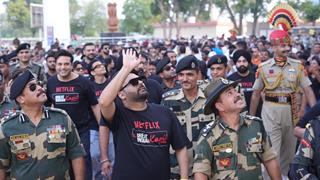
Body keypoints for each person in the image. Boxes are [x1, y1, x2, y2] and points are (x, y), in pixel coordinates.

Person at [99, 49, 189, 180]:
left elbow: (180, 148)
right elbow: (103, 102)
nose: (140, 82)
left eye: (140, 80)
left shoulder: (165, 112)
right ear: (121, 94)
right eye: (134, 83)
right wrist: (125, 69)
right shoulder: (118, 115)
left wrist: (184, 178)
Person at [249, 29, 317, 178]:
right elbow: (255, 95)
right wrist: (251, 119)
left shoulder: (298, 66)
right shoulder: (264, 67)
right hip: (271, 112)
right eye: (282, 46)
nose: (287, 48)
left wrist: (315, 116)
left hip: (291, 112)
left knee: (289, 152)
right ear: (273, 47)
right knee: (272, 152)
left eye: (288, 45)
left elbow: (308, 91)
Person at [0, 70, 86, 179]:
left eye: (39, 84)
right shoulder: (8, 126)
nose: (40, 88)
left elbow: (76, 153)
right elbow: (2, 165)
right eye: (32, 87)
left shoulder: (61, 118)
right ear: (21, 99)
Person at [193, 78, 281, 180]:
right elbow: (201, 173)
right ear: (220, 106)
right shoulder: (209, 135)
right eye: (229, 93)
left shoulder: (256, 125)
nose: (237, 95)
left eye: (235, 91)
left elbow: (269, 159)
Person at [46, 49, 100, 180]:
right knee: (60, 162)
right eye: (59, 64)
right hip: (57, 130)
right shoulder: (51, 82)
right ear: (55, 65)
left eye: (66, 64)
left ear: (71, 65)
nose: (62, 67)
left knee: (83, 162)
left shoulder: (84, 82)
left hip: (81, 130)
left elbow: (95, 105)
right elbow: (47, 107)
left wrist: (102, 126)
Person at [162, 55, 215, 179]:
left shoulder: (211, 98)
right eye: (181, 75)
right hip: (177, 168)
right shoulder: (168, 100)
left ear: (198, 75)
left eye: (189, 74)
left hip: (207, 166)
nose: (185, 79)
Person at [88, 59, 115, 180]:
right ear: (92, 73)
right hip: (94, 127)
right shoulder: (89, 86)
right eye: (97, 66)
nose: (101, 67)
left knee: (112, 156)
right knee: (94, 155)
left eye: (102, 65)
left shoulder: (112, 84)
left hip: (112, 126)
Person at [228, 49, 261, 116]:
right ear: (235, 63)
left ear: (248, 62)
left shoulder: (256, 77)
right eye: (239, 61)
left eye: (244, 61)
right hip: (237, 115)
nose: (242, 64)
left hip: (256, 115)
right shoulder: (230, 79)